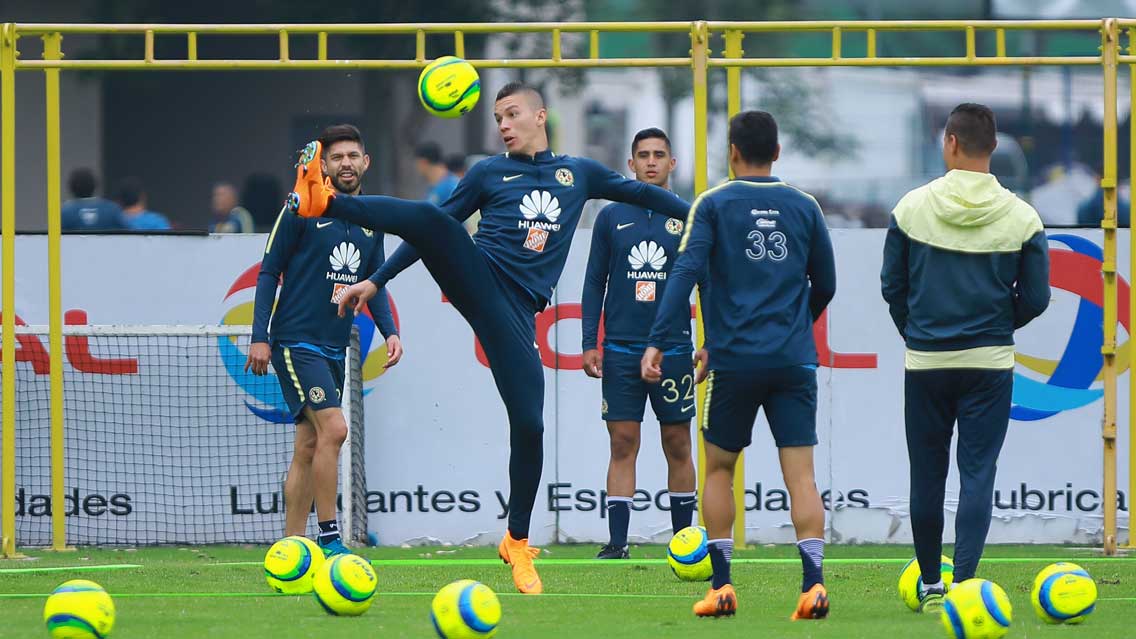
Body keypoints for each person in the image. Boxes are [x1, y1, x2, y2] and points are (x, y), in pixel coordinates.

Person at [289, 82, 692, 594]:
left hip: (517, 314)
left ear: (540, 115)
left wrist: (702, 211)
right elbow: (430, 228)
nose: (502, 124)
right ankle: (323, 201)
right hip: (478, 275)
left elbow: (640, 192)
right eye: (497, 116)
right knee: (437, 219)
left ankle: (516, 542)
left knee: (529, 425)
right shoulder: (488, 172)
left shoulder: (580, 173)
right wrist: (376, 279)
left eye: (511, 114)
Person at [642, 111, 836, 620]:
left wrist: (662, 339)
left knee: (720, 469)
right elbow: (827, 284)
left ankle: (723, 586)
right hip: (794, 361)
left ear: (731, 151)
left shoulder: (713, 204)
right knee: (802, 478)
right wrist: (796, 326)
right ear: (776, 152)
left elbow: (685, 270)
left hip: (735, 361)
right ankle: (813, 586)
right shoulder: (805, 206)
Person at [881, 103, 1050, 612]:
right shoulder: (1022, 216)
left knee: (926, 474)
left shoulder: (910, 207)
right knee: (978, 474)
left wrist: (916, 334)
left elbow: (893, 287)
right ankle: (966, 586)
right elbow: (1038, 298)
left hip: (927, 361)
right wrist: (1000, 327)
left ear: (949, 143)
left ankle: (932, 582)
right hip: (989, 364)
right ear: (994, 147)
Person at [245, 124, 403, 557]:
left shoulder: (371, 218)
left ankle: (291, 547)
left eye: (353, 156)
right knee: (335, 429)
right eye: (337, 157)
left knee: (309, 443)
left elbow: (377, 281)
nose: (346, 163)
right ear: (324, 165)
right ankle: (331, 537)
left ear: (365, 162)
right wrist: (260, 337)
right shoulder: (300, 207)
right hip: (296, 342)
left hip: (335, 347)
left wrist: (390, 331)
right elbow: (267, 271)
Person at [581, 127, 703, 559]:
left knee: (678, 443)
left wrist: (712, 343)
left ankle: (683, 543)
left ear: (673, 163)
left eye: (659, 155)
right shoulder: (611, 217)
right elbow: (595, 281)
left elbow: (708, 285)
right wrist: (588, 342)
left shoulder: (689, 218)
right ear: (630, 164)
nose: (651, 161)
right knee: (622, 442)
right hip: (619, 350)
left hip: (673, 350)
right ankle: (617, 543)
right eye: (643, 155)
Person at [61, 168, 126, 231]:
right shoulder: (112, 209)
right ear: (96, 185)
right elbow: (129, 234)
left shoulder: (64, 212)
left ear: (71, 188)